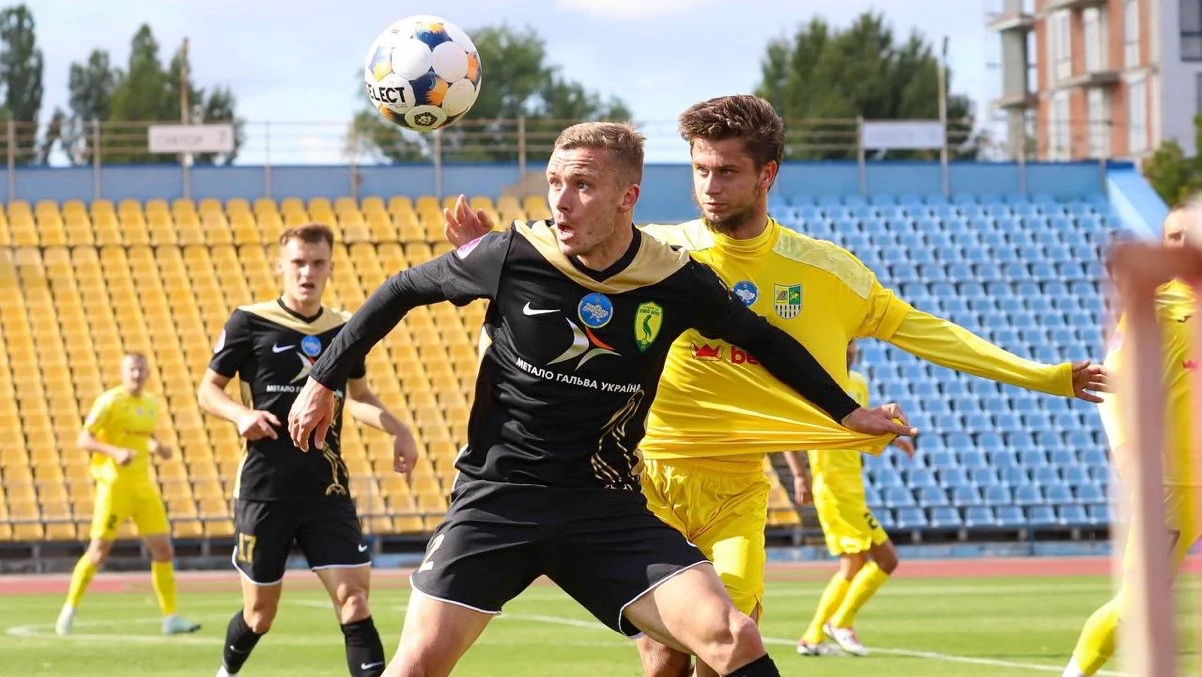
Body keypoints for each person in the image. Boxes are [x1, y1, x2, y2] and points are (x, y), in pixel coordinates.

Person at [443, 95, 1110, 676]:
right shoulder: (653, 255)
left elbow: (929, 332)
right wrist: (484, 264)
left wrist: (1046, 376)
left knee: (729, 643)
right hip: (640, 480)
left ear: (767, 174)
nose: (709, 186)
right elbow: (547, 289)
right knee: (664, 660)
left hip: (736, 488)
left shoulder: (826, 272)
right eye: (700, 170)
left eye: (726, 171)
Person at [288, 121, 917, 677]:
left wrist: (847, 411)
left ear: (627, 198)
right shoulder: (511, 253)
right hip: (497, 501)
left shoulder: (674, 279)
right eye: (554, 182)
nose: (560, 201)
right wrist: (322, 380)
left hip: (604, 509)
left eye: (582, 185)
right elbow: (400, 289)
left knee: (733, 636)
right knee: (415, 667)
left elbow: (763, 338)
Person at [197, 223, 417, 677]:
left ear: (330, 267)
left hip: (326, 489)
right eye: (298, 263)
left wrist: (398, 429)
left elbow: (357, 396)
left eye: (317, 264)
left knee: (354, 599)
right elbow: (208, 390)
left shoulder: (344, 328)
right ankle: (226, 672)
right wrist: (240, 415)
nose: (307, 273)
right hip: (265, 489)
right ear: (280, 266)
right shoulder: (248, 321)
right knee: (260, 615)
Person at [1061, 204, 1201, 677]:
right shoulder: (1154, 306)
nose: (1183, 244)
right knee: (1139, 602)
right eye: (1174, 237)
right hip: (1174, 483)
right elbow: (1110, 385)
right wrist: (1122, 446)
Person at [55, 352, 202, 637]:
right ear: (123, 373)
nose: (137, 375)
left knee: (163, 550)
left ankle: (170, 617)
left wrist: (158, 448)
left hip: (143, 486)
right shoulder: (109, 402)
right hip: (114, 486)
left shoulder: (150, 404)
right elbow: (84, 439)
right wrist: (114, 452)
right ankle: (69, 610)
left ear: (148, 373)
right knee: (98, 552)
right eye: (132, 369)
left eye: (141, 370)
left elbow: (143, 436)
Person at [786, 340, 915, 656]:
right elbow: (788, 432)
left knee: (853, 565)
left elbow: (861, 427)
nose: (850, 348)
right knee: (887, 559)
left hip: (853, 488)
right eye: (844, 342)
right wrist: (800, 475)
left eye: (853, 342)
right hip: (833, 490)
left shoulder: (858, 384)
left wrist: (893, 440)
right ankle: (840, 623)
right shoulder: (812, 383)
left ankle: (813, 637)